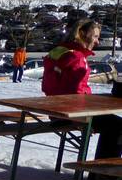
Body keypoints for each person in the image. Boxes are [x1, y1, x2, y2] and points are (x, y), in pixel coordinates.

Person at [42, 18, 121, 159]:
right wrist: (83, 117)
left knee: (112, 124)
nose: (97, 42)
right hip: (72, 114)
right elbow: (77, 93)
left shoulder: (59, 51)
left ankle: (102, 169)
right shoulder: (76, 58)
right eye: (95, 37)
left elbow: (49, 86)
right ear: (82, 34)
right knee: (117, 125)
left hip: (55, 111)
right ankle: (106, 169)